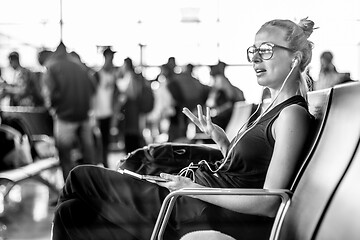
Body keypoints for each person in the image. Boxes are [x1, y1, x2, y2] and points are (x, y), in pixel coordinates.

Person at [52, 17, 315, 240]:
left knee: (79, 177)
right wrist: (224, 143)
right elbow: (248, 172)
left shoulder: (291, 114)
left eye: (266, 50)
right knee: (72, 214)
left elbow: (270, 202)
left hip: (200, 210)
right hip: (193, 199)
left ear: (295, 59)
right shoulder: (267, 108)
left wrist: (190, 187)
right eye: (253, 50)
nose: (256, 58)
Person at [41, 41, 97, 181]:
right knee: (88, 156)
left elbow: (50, 93)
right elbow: (93, 88)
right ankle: (91, 187)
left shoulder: (52, 67)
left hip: (64, 117)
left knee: (65, 157)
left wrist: (54, 109)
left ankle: (70, 189)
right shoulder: (79, 66)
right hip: (84, 115)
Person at [92, 47, 118, 167]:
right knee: (98, 142)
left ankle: (104, 163)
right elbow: (91, 95)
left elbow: (114, 95)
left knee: (106, 142)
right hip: (97, 113)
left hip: (108, 113)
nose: (111, 59)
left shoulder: (113, 75)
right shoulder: (97, 75)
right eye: (110, 57)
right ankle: (99, 162)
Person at [206, 61, 246, 129]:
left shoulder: (220, 88)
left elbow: (210, 104)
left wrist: (216, 111)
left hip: (225, 123)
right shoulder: (234, 90)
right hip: (233, 121)